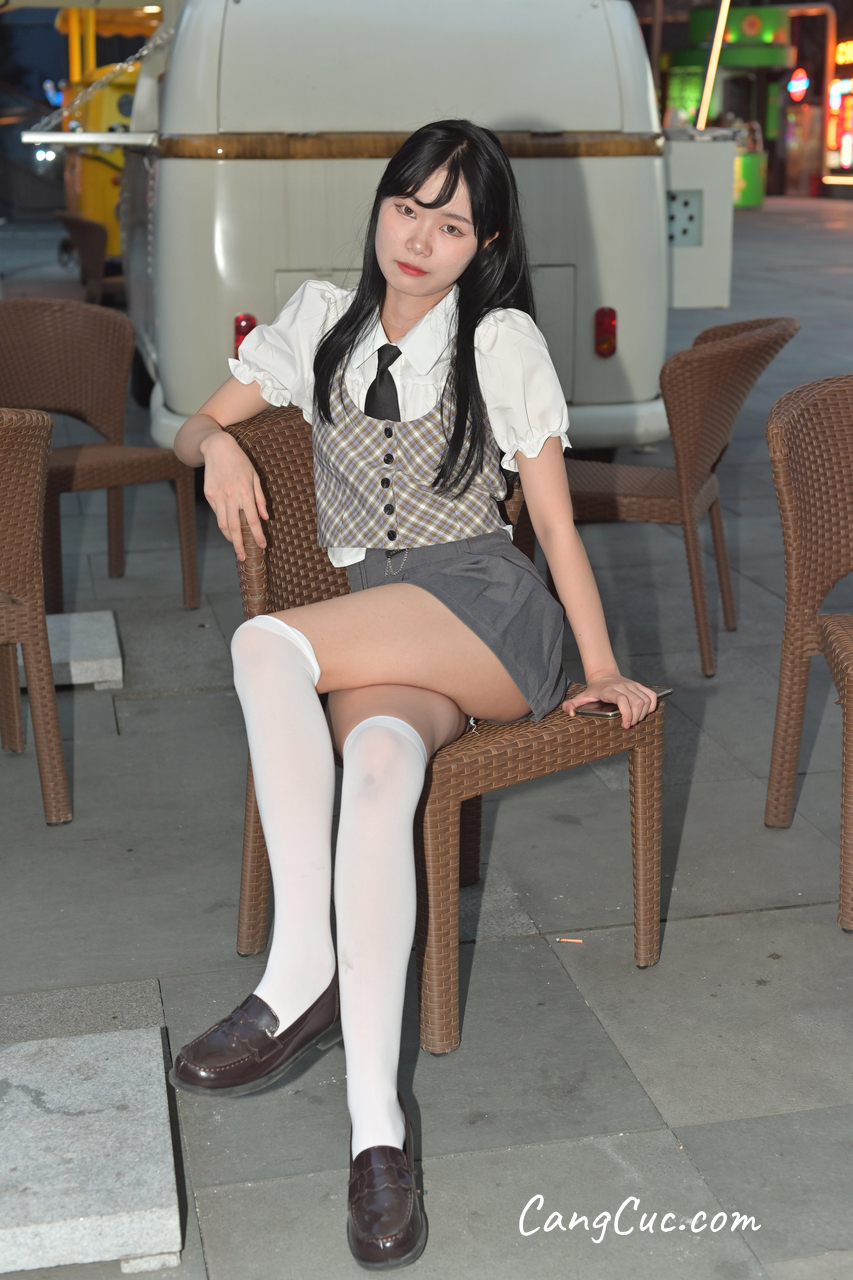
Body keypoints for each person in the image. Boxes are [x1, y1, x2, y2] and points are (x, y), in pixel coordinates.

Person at [170, 119, 657, 1269]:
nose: (419, 239)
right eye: (407, 207)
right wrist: (217, 448)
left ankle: (301, 966)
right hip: (380, 612)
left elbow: (552, 524)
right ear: (379, 206)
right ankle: (376, 1135)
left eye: (451, 224)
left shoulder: (499, 339)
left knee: (264, 646)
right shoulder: (317, 323)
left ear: (484, 244)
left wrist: (597, 666)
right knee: (381, 769)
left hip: (485, 609)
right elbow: (197, 422)